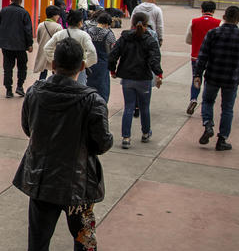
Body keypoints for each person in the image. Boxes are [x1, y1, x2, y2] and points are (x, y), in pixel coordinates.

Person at [13, 37, 114, 251]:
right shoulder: (92, 100)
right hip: (79, 184)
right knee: (84, 234)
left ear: (53, 64)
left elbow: (28, 128)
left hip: (41, 180)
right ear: (82, 66)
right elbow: (102, 143)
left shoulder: (35, 93)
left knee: (38, 240)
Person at [193, 6, 239, 151]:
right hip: (231, 78)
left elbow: (203, 55)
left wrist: (197, 74)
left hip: (212, 75)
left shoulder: (213, 33)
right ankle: (222, 139)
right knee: (227, 108)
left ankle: (208, 124)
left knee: (207, 101)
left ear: (224, 17)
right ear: (238, 19)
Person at [108, 12, 163, 149]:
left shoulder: (125, 38)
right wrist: (159, 74)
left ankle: (126, 137)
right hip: (144, 78)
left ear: (132, 22)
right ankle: (145, 132)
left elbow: (113, 55)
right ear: (147, 23)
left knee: (129, 107)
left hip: (127, 77)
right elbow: (155, 59)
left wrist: (113, 70)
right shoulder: (150, 40)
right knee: (144, 107)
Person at [184, 1, 221, 115]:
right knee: (208, 81)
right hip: (212, 57)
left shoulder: (194, 21)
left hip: (196, 55)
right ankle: (205, 101)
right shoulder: (219, 23)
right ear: (213, 10)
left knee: (196, 78)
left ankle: (193, 98)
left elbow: (188, 39)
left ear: (202, 9)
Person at [43, 9, 98, 87]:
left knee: (59, 88)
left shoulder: (60, 34)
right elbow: (92, 52)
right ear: (80, 22)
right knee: (79, 90)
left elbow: (47, 48)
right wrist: (84, 64)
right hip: (78, 69)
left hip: (61, 68)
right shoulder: (84, 35)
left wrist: (55, 60)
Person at [0, 0, 33, 97]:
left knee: (7, 67)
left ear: (11, 0)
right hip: (20, 45)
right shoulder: (24, 13)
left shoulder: (4, 11)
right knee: (22, 66)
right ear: (21, 1)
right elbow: (28, 30)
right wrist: (29, 44)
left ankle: (8, 90)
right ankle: (20, 86)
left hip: (6, 44)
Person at [84, 12, 116, 103]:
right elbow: (112, 51)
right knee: (102, 88)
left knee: (88, 85)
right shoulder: (109, 34)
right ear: (107, 24)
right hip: (103, 64)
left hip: (89, 62)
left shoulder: (88, 31)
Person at [32, 6, 62, 82]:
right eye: (58, 15)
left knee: (43, 71)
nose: (58, 17)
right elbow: (60, 42)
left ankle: (40, 85)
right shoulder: (58, 27)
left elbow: (38, 39)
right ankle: (55, 85)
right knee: (55, 71)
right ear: (54, 15)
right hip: (54, 52)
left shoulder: (41, 25)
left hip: (43, 51)